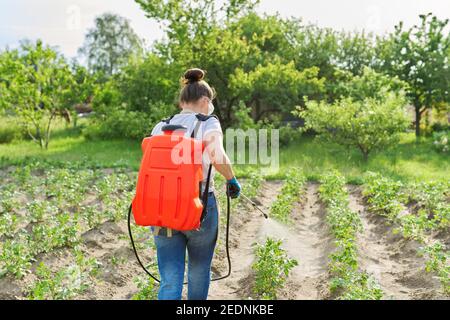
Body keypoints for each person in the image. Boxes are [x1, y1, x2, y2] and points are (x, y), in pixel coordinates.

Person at [149, 68, 241, 300]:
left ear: (182, 102)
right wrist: (231, 179)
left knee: (170, 278)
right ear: (205, 100)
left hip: (162, 207)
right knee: (199, 269)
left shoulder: (160, 126)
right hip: (197, 207)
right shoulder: (207, 123)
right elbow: (216, 155)